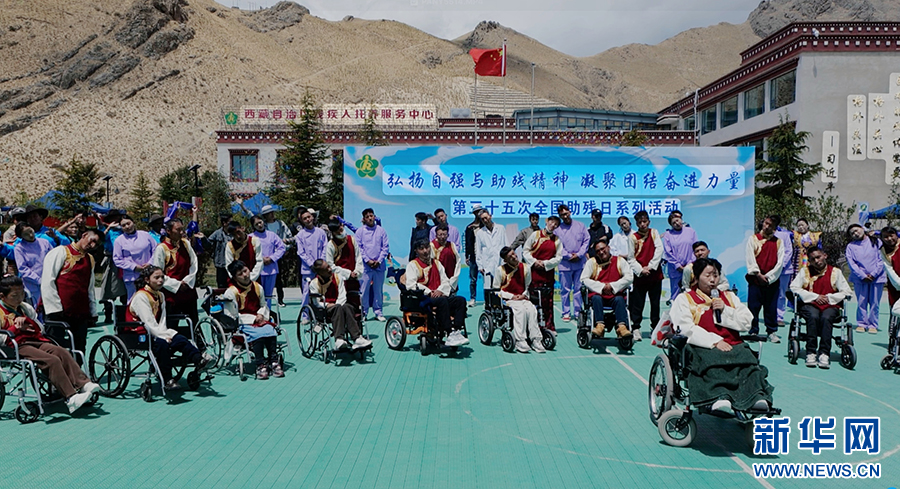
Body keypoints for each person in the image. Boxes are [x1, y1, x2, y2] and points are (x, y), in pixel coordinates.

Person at [669, 258, 774, 413]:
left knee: (748, 361)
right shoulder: (685, 299)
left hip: (733, 343)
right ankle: (719, 397)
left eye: (716, 275)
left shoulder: (729, 297)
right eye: (707, 275)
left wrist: (725, 310)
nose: (712, 280)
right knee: (712, 360)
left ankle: (755, 397)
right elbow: (684, 328)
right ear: (696, 277)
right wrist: (715, 341)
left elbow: (747, 322)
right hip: (703, 345)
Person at [0, 275, 99, 414]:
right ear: (2, 296)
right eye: (14, 295)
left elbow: (41, 328)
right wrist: (15, 328)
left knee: (62, 352)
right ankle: (70, 397)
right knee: (51, 360)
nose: (19, 298)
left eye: (21, 293)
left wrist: (28, 322)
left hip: (35, 340)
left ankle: (84, 384)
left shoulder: (25, 308)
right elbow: (2, 339)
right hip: (14, 346)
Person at [126, 266, 212, 390]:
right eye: (156, 278)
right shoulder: (141, 296)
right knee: (162, 344)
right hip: (140, 332)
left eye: (162, 277)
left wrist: (165, 333)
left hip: (156, 330)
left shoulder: (160, 295)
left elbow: (162, 320)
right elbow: (148, 322)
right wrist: (163, 336)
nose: (160, 280)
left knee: (180, 339)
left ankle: (199, 361)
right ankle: (167, 379)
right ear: (147, 280)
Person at [41, 228, 102, 356]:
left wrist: (92, 310)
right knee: (55, 346)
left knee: (79, 346)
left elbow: (90, 287)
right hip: (58, 311)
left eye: (96, 244)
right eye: (92, 241)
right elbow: (48, 281)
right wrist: (54, 309)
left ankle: (77, 368)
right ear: (84, 235)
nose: (92, 245)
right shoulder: (60, 252)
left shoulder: (89, 259)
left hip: (80, 311)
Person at [789, 248, 851, 369]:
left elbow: (847, 291)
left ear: (825, 256)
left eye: (818, 257)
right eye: (813, 259)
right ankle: (811, 352)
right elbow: (794, 287)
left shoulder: (835, 272)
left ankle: (824, 353)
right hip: (810, 304)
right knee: (813, 316)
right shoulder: (805, 271)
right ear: (809, 261)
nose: (817, 261)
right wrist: (815, 297)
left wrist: (829, 298)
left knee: (827, 317)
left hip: (830, 304)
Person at [222, 260, 284, 380]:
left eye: (245, 271)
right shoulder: (231, 292)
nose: (245, 275)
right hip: (242, 324)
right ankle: (260, 364)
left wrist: (260, 314)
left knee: (270, 329)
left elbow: (263, 305)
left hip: (259, 320)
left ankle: (273, 360)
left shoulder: (257, 287)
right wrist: (253, 318)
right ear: (234, 277)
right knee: (258, 333)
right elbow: (231, 315)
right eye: (240, 274)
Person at [405, 240, 469, 347]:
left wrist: (440, 290)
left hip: (439, 295)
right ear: (416, 251)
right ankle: (449, 332)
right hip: (424, 298)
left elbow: (445, 281)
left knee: (460, 300)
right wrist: (429, 292)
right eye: (421, 249)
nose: (425, 251)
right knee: (442, 301)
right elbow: (411, 285)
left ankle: (456, 330)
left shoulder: (437, 263)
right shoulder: (413, 265)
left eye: (427, 247)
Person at [310, 259, 372, 350]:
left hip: (339, 305)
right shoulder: (314, 283)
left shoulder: (338, 277)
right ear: (320, 272)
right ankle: (339, 339)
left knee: (348, 307)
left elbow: (342, 295)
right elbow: (316, 303)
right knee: (339, 308)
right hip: (325, 309)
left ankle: (357, 338)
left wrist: (337, 305)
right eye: (326, 269)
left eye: (329, 266)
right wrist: (327, 305)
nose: (330, 269)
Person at [152, 218, 200, 328]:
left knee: (194, 323)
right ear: (168, 231)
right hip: (171, 293)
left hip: (188, 290)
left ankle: (197, 339)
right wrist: (177, 285)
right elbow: (158, 273)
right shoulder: (162, 248)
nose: (181, 232)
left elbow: (194, 263)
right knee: (171, 325)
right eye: (178, 230)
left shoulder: (185, 243)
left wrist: (187, 281)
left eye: (182, 229)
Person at [497, 246, 546, 353]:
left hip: (523, 297)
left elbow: (528, 286)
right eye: (510, 256)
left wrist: (523, 295)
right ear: (505, 260)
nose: (514, 257)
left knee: (532, 310)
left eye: (514, 253)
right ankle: (520, 340)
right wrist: (511, 296)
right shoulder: (500, 270)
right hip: (508, 300)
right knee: (521, 311)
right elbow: (496, 290)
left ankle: (536, 339)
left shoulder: (526, 268)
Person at [581, 240, 634, 339]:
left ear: (608, 248)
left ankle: (622, 327)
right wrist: (602, 287)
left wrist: (612, 286)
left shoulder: (620, 261)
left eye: (603, 249)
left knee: (619, 300)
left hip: (615, 295)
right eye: (598, 251)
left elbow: (629, 277)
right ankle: (599, 325)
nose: (601, 252)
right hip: (598, 295)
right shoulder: (591, 262)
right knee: (596, 298)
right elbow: (584, 279)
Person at [745, 216, 785, 343]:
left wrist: (768, 277)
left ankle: (771, 331)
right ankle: (753, 330)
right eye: (766, 223)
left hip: (771, 282)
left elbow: (780, 263)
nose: (766, 226)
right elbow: (750, 259)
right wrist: (758, 274)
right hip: (755, 280)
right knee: (753, 306)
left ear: (775, 228)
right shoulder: (753, 239)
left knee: (771, 307)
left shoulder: (778, 242)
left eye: (770, 225)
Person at [522, 216, 562, 332]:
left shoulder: (557, 240)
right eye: (552, 222)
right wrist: (534, 262)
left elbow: (559, 257)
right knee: (532, 301)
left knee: (548, 301)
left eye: (556, 224)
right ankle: (532, 327)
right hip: (533, 273)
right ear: (547, 222)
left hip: (547, 274)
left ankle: (549, 327)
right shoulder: (535, 235)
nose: (553, 225)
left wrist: (545, 264)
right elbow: (525, 251)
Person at [628, 210, 663, 341]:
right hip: (640, 276)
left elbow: (659, 249)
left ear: (649, 221)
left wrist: (651, 266)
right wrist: (641, 270)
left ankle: (655, 328)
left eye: (645, 221)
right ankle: (636, 328)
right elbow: (631, 258)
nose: (643, 224)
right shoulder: (632, 237)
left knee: (655, 304)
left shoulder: (654, 233)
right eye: (640, 222)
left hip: (655, 275)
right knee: (638, 303)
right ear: (636, 224)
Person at [845, 223, 885, 334]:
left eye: (856, 230)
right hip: (860, 279)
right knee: (861, 301)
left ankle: (873, 324)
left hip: (877, 278)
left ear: (862, 228)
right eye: (852, 233)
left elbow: (881, 259)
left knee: (874, 302)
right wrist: (862, 275)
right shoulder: (851, 246)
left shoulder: (876, 242)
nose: (855, 233)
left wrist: (874, 274)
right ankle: (862, 323)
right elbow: (851, 263)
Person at [555, 204, 590, 322]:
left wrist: (579, 254)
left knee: (578, 289)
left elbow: (586, 240)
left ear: (570, 212)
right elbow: (557, 246)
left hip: (579, 263)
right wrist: (569, 256)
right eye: (562, 215)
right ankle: (566, 312)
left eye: (566, 213)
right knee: (565, 290)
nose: (565, 216)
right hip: (565, 264)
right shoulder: (557, 230)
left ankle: (577, 312)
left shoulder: (580, 226)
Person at [112, 214, 157, 302]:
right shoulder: (119, 241)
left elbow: (156, 250)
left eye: (128, 223)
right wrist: (134, 267)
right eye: (123, 225)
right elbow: (117, 259)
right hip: (131, 277)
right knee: (133, 300)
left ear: (133, 222)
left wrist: (150, 263)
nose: (127, 227)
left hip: (149, 274)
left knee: (150, 299)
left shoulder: (145, 235)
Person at [356, 208, 389, 321]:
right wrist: (367, 260)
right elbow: (359, 248)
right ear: (364, 219)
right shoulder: (360, 232)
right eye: (367, 217)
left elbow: (385, 247)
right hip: (366, 267)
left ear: (374, 216)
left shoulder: (381, 230)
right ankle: (364, 312)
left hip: (379, 266)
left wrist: (379, 260)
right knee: (364, 290)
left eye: (371, 216)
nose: (370, 218)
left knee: (378, 290)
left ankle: (378, 312)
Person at [250, 214, 286, 308]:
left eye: (260, 222)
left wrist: (272, 258)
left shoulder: (272, 235)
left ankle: (267, 313)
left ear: (263, 222)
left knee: (268, 295)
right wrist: (260, 259)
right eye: (256, 224)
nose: (259, 225)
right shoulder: (250, 237)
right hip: (257, 271)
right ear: (253, 226)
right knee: (257, 294)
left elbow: (282, 248)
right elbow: (249, 252)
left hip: (271, 269)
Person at [295, 208, 328, 310]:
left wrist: (321, 263)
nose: (308, 220)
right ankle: (305, 314)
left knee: (321, 291)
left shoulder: (321, 232)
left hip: (321, 268)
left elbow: (325, 247)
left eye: (309, 217)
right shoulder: (300, 235)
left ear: (313, 217)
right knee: (306, 292)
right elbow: (301, 252)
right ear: (302, 221)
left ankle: (322, 313)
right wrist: (311, 264)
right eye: (305, 218)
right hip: (307, 270)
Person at [13, 222, 52, 308]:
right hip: (33, 286)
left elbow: (53, 258)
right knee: (37, 310)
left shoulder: (45, 242)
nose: (30, 235)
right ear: (21, 237)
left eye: (30, 231)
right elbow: (23, 269)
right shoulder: (19, 248)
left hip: (49, 281)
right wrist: (39, 280)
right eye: (26, 234)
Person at [325, 219, 363, 308]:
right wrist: (348, 273)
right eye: (337, 231)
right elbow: (330, 265)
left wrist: (357, 272)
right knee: (342, 304)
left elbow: (359, 257)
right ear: (333, 232)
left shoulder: (352, 240)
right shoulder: (331, 245)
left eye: (341, 229)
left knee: (355, 305)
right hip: (339, 279)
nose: (340, 231)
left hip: (354, 278)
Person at [98, 209, 127, 323]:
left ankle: (125, 314)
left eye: (117, 218)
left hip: (124, 261)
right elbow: (100, 239)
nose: (116, 220)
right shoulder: (106, 230)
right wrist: (108, 228)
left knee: (126, 288)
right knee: (108, 288)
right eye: (113, 218)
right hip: (111, 261)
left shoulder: (123, 230)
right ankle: (108, 314)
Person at [260, 205, 293, 307]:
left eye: (272, 212)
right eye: (269, 213)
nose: (272, 215)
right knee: (263, 279)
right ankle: (263, 301)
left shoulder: (280, 224)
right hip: (266, 256)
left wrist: (285, 248)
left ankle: (280, 299)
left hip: (278, 255)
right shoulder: (263, 225)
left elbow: (289, 237)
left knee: (279, 278)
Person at [662, 210, 697, 298]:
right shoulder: (668, 235)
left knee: (691, 292)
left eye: (677, 220)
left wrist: (689, 264)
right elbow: (668, 252)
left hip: (690, 267)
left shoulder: (691, 231)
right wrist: (677, 265)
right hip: (675, 270)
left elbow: (695, 248)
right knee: (675, 294)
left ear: (681, 219)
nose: (677, 223)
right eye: (674, 223)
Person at [475, 209, 508, 289]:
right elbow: (478, 250)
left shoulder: (500, 228)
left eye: (486, 218)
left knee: (502, 287)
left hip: (500, 262)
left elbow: (506, 244)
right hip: (487, 265)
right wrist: (480, 266)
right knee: (488, 288)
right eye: (482, 219)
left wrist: (507, 259)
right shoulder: (480, 233)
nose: (485, 220)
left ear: (490, 216)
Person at [773, 220, 794, 327]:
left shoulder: (784, 235)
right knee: (770, 294)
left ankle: (779, 316)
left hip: (784, 270)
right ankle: (770, 316)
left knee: (781, 294)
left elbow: (789, 250)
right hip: (770, 270)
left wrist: (782, 264)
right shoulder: (763, 236)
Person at [431, 224, 461, 295]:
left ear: (448, 235)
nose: (442, 237)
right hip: (438, 280)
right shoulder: (432, 246)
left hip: (451, 278)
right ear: (436, 235)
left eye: (444, 234)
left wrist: (454, 279)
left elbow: (458, 262)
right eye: (440, 235)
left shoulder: (452, 245)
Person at [206, 214, 233, 288]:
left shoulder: (234, 233)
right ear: (224, 223)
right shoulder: (217, 233)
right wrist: (202, 238)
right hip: (221, 264)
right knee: (221, 286)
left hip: (232, 263)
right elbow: (208, 244)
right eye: (230, 222)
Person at [464, 204, 483, 306]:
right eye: (476, 212)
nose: (478, 213)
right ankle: (473, 298)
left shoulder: (486, 226)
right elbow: (468, 242)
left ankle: (488, 299)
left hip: (485, 256)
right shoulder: (469, 227)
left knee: (488, 279)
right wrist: (467, 256)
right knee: (473, 279)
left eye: (480, 211)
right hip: (473, 255)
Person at [880, 227, 900, 321]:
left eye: (891, 235)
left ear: (896, 235)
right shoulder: (883, 251)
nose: (889, 239)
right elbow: (888, 269)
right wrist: (898, 284)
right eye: (886, 237)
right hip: (895, 284)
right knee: (895, 310)